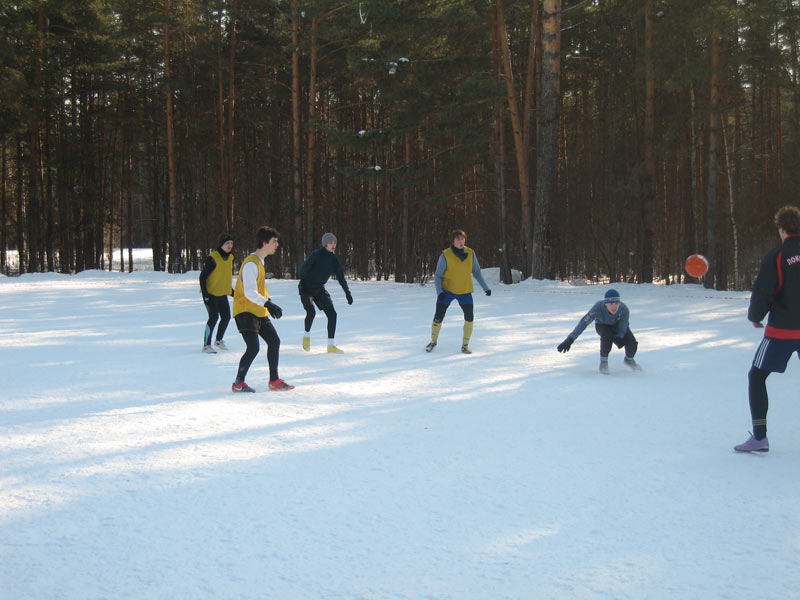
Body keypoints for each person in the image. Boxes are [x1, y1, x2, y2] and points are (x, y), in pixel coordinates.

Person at [734, 205, 800, 453]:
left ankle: (760, 437)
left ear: (782, 229)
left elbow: (764, 291)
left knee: (757, 376)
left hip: (782, 332)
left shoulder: (778, 256)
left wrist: (755, 316)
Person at [231, 226, 294, 392]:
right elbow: (250, 292)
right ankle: (238, 383)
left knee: (274, 341)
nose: (277, 244)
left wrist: (268, 303)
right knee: (253, 347)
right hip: (245, 310)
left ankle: (274, 380)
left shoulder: (259, 262)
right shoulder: (251, 264)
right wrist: (268, 304)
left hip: (257, 309)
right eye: (274, 241)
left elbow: (257, 290)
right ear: (264, 243)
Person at [425, 229, 491, 354]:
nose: (461, 242)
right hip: (446, 291)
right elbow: (438, 276)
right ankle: (433, 341)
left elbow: (476, 272)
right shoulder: (445, 255)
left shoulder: (470, 253)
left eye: (462, 239)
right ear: (453, 241)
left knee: (469, 318)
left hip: (465, 292)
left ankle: (465, 345)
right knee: (438, 317)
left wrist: (486, 288)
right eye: (457, 239)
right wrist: (440, 292)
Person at [556, 288, 641, 374]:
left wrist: (620, 336)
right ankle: (604, 363)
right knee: (607, 336)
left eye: (616, 303)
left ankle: (629, 360)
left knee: (632, 342)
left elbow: (623, 325)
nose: (614, 307)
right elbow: (583, 323)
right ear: (606, 304)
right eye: (610, 304)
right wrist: (569, 340)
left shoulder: (624, 309)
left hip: (617, 326)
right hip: (602, 325)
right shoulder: (598, 308)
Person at [298, 232, 353, 353]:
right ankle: (306, 337)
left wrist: (347, 292)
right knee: (311, 312)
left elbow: (341, 277)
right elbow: (303, 269)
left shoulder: (333, 259)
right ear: (325, 244)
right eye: (330, 242)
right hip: (306, 288)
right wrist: (303, 274)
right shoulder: (316, 255)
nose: (333, 245)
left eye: (334, 243)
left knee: (332, 315)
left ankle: (330, 346)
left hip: (319, 289)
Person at [199, 233, 235, 353]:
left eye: (231, 243)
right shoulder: (213, 258)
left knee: (226, 317)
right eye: (227, 243)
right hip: (210, 294)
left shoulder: (230, 258)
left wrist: (232, 292)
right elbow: (202, 277)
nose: (229, 245)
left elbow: (225, 276)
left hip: (222, 293)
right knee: (213, 317)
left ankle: (218, 340)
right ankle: (206, 345)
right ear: (221, 244)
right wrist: (205, 295)